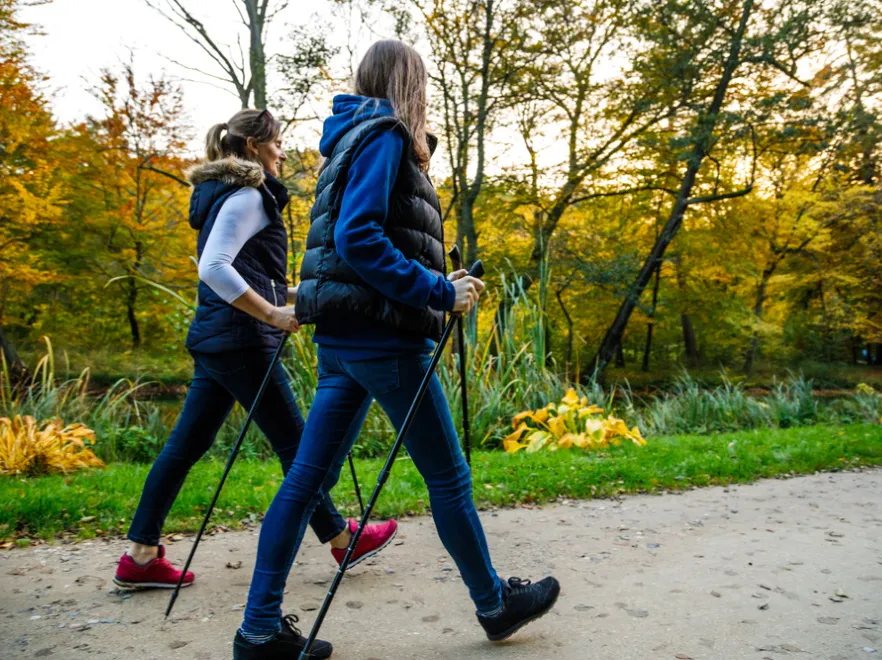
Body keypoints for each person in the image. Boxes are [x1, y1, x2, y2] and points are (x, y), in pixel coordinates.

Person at [233, 41, 560, 660]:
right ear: (407, 81)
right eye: (424, 83)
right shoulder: (383, 133)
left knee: (305, 480)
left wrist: (438, 281)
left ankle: (258, 630)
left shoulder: (345, 141)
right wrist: (440, 290)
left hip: (341, 337)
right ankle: (494, 604)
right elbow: (358, 237)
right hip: (386, 337)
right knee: (449, 478)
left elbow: (352, 236)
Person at [113, 108, 398, 591]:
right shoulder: (247, 195)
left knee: (186, 447)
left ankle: (140, 555)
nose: (283, 152)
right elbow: (214, 268)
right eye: (278, 143)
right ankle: (339, 538)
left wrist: (306, 298)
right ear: (252, 147)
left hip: (220, 339)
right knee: (299, 447)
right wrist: (271, 315)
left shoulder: (226, 194)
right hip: (243, 340)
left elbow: (252, 277)